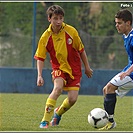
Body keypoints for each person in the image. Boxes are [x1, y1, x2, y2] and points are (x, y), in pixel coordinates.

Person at [34, 5, 93, 129]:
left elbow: (81, 50)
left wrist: (87, 67)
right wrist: (39, 75)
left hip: (74, 70)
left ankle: (58, 113)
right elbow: (40, 57)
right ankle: (45, 121)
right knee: (58, 88)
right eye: (55, 18)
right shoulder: (45, 37)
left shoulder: (71, 31)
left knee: (72, 99)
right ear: (49, 19)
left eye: (61, 18)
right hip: (58, 68)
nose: (59, 21)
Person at [99, 9, 133, 130]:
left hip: (132, 73)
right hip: (129, 69)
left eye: (119, 23)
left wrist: (128, 72)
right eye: (116, 23)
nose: (116, 25)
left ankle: (110, 122)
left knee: (109, 88)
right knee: (106, 90)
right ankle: (109, 120)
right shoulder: (126, 35)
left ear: (128, 23)